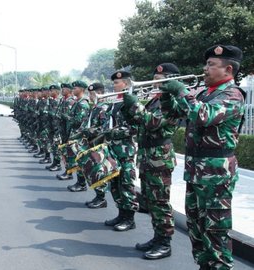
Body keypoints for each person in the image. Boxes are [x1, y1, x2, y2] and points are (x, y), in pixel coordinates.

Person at [160, 45, 245, 270]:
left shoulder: (232, 94)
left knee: (215, 230)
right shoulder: (203, 93)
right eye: (206, 64)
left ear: (228, 69)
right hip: (196, 172)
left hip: (217, 174)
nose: (204, 69)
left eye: (211, 65)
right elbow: (172, 115)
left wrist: (180, 90)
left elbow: (202, 116)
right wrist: (167, 96)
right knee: (196, 227)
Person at [121, 63, 181, 259]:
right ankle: (157, 237)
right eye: (155, 79)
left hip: (160, 157)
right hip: (148, 155)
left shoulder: (172, 102)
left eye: (161, 80)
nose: (157, 83)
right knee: (150, 201)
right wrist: (127, 108)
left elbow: (154, 123)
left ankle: (165, 243)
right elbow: (138, 123)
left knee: (160, 202)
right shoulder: (154, 100)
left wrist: (135, 105)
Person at [103, 70, 139, 232]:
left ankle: (129, 218)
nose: (114, 85)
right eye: (114, 83)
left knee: (126, 184)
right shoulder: (115, 102)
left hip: (125, 151)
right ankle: (121, 214)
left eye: (117, 83)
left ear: (126, 83)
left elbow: (135, 127)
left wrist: (114, 132)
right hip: (112, 149)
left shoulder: (131, 102)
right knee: (115, 184)